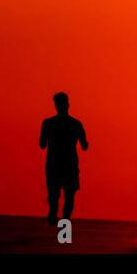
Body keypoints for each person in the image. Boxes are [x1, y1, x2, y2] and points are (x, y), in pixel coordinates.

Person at [39, 92, 88, 226]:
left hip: (55, 165)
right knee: (68, 196)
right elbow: (85, 146)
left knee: (55, 195)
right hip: (68, 165)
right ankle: (64, 221)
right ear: (67, 105)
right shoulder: (75, 124)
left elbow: (42, 144)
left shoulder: (48, 123)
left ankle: (55, 213)